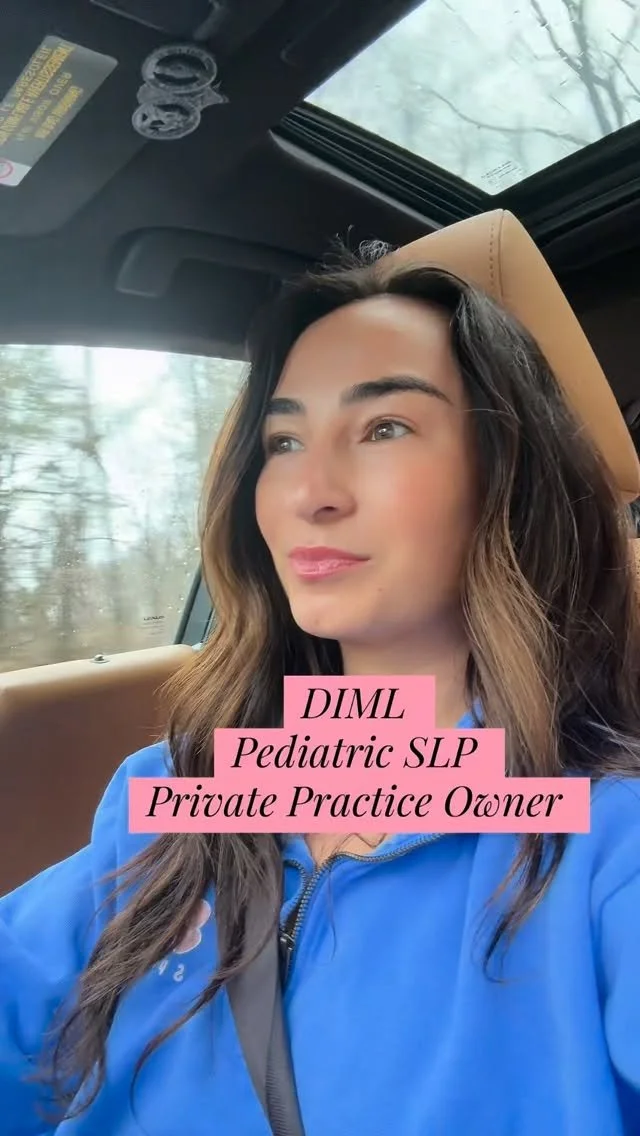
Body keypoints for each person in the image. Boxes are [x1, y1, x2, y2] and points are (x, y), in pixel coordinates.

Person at [2, 210, 640, 1136]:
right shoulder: (173, 794)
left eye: (384, 427)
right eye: (284, 443)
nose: (311, 492)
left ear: (506, 476)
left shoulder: (607, 844)